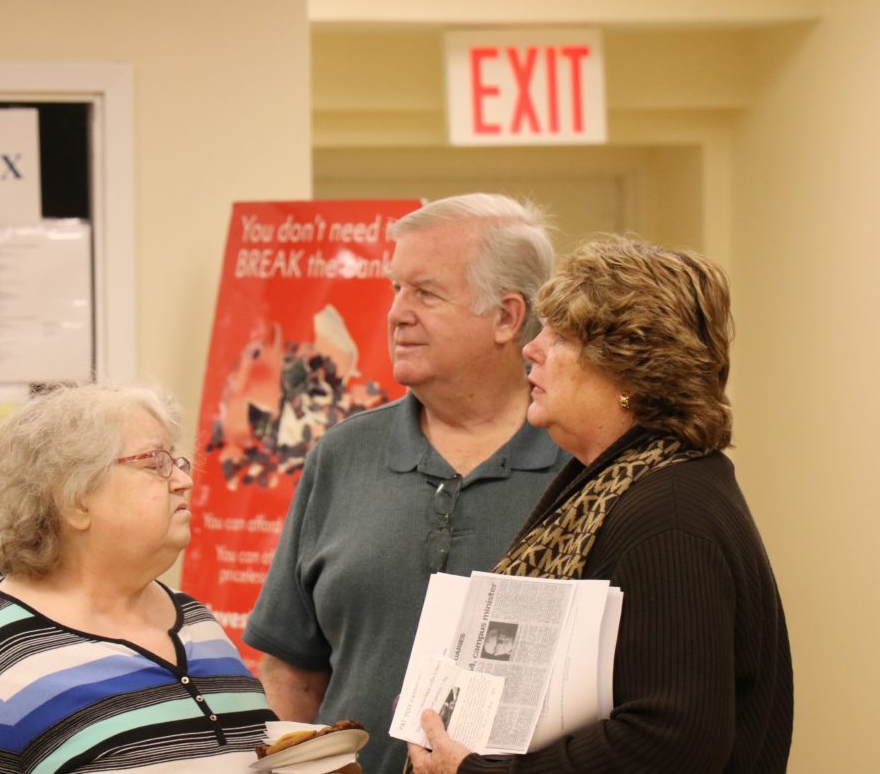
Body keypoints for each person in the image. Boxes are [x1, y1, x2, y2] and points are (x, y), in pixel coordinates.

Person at [408, 234, 794, 773]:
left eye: (560, 335)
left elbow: (670, 739)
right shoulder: (622, 483)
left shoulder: (670, 515)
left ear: (628, 371)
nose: (531, 348)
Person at [244, 193, 571, 773]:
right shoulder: (343, 455)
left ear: (506, 317)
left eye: (425, 292)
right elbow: (292, 667)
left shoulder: (582, 461)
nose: (396, 313)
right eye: (396, 289)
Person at [0, 382, 278, 773]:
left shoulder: (195, 620)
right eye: (155, 464)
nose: (184, 481)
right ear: (74, 499)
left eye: (178, 461)